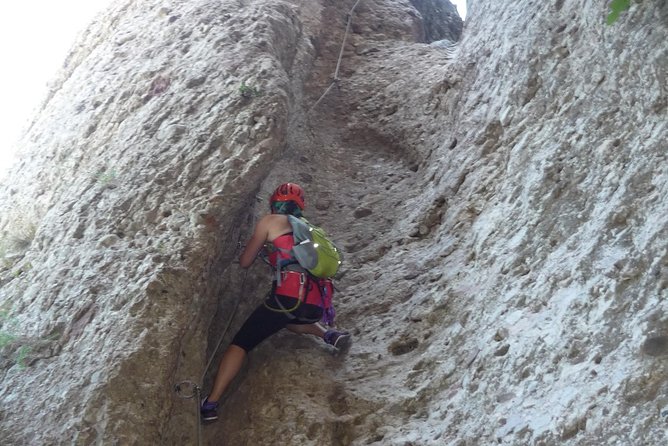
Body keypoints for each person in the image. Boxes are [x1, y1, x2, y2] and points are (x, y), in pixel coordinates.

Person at [200, 183, 351, 422]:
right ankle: (330, 335)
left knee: (240, 344)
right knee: (290, 323)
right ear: (299, 205)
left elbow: (245, 262)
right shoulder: (308, 228)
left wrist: (254, 249)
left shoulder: (269, 221)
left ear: (275, 201)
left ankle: (211, 403)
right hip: (314, 302)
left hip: (289, 297)